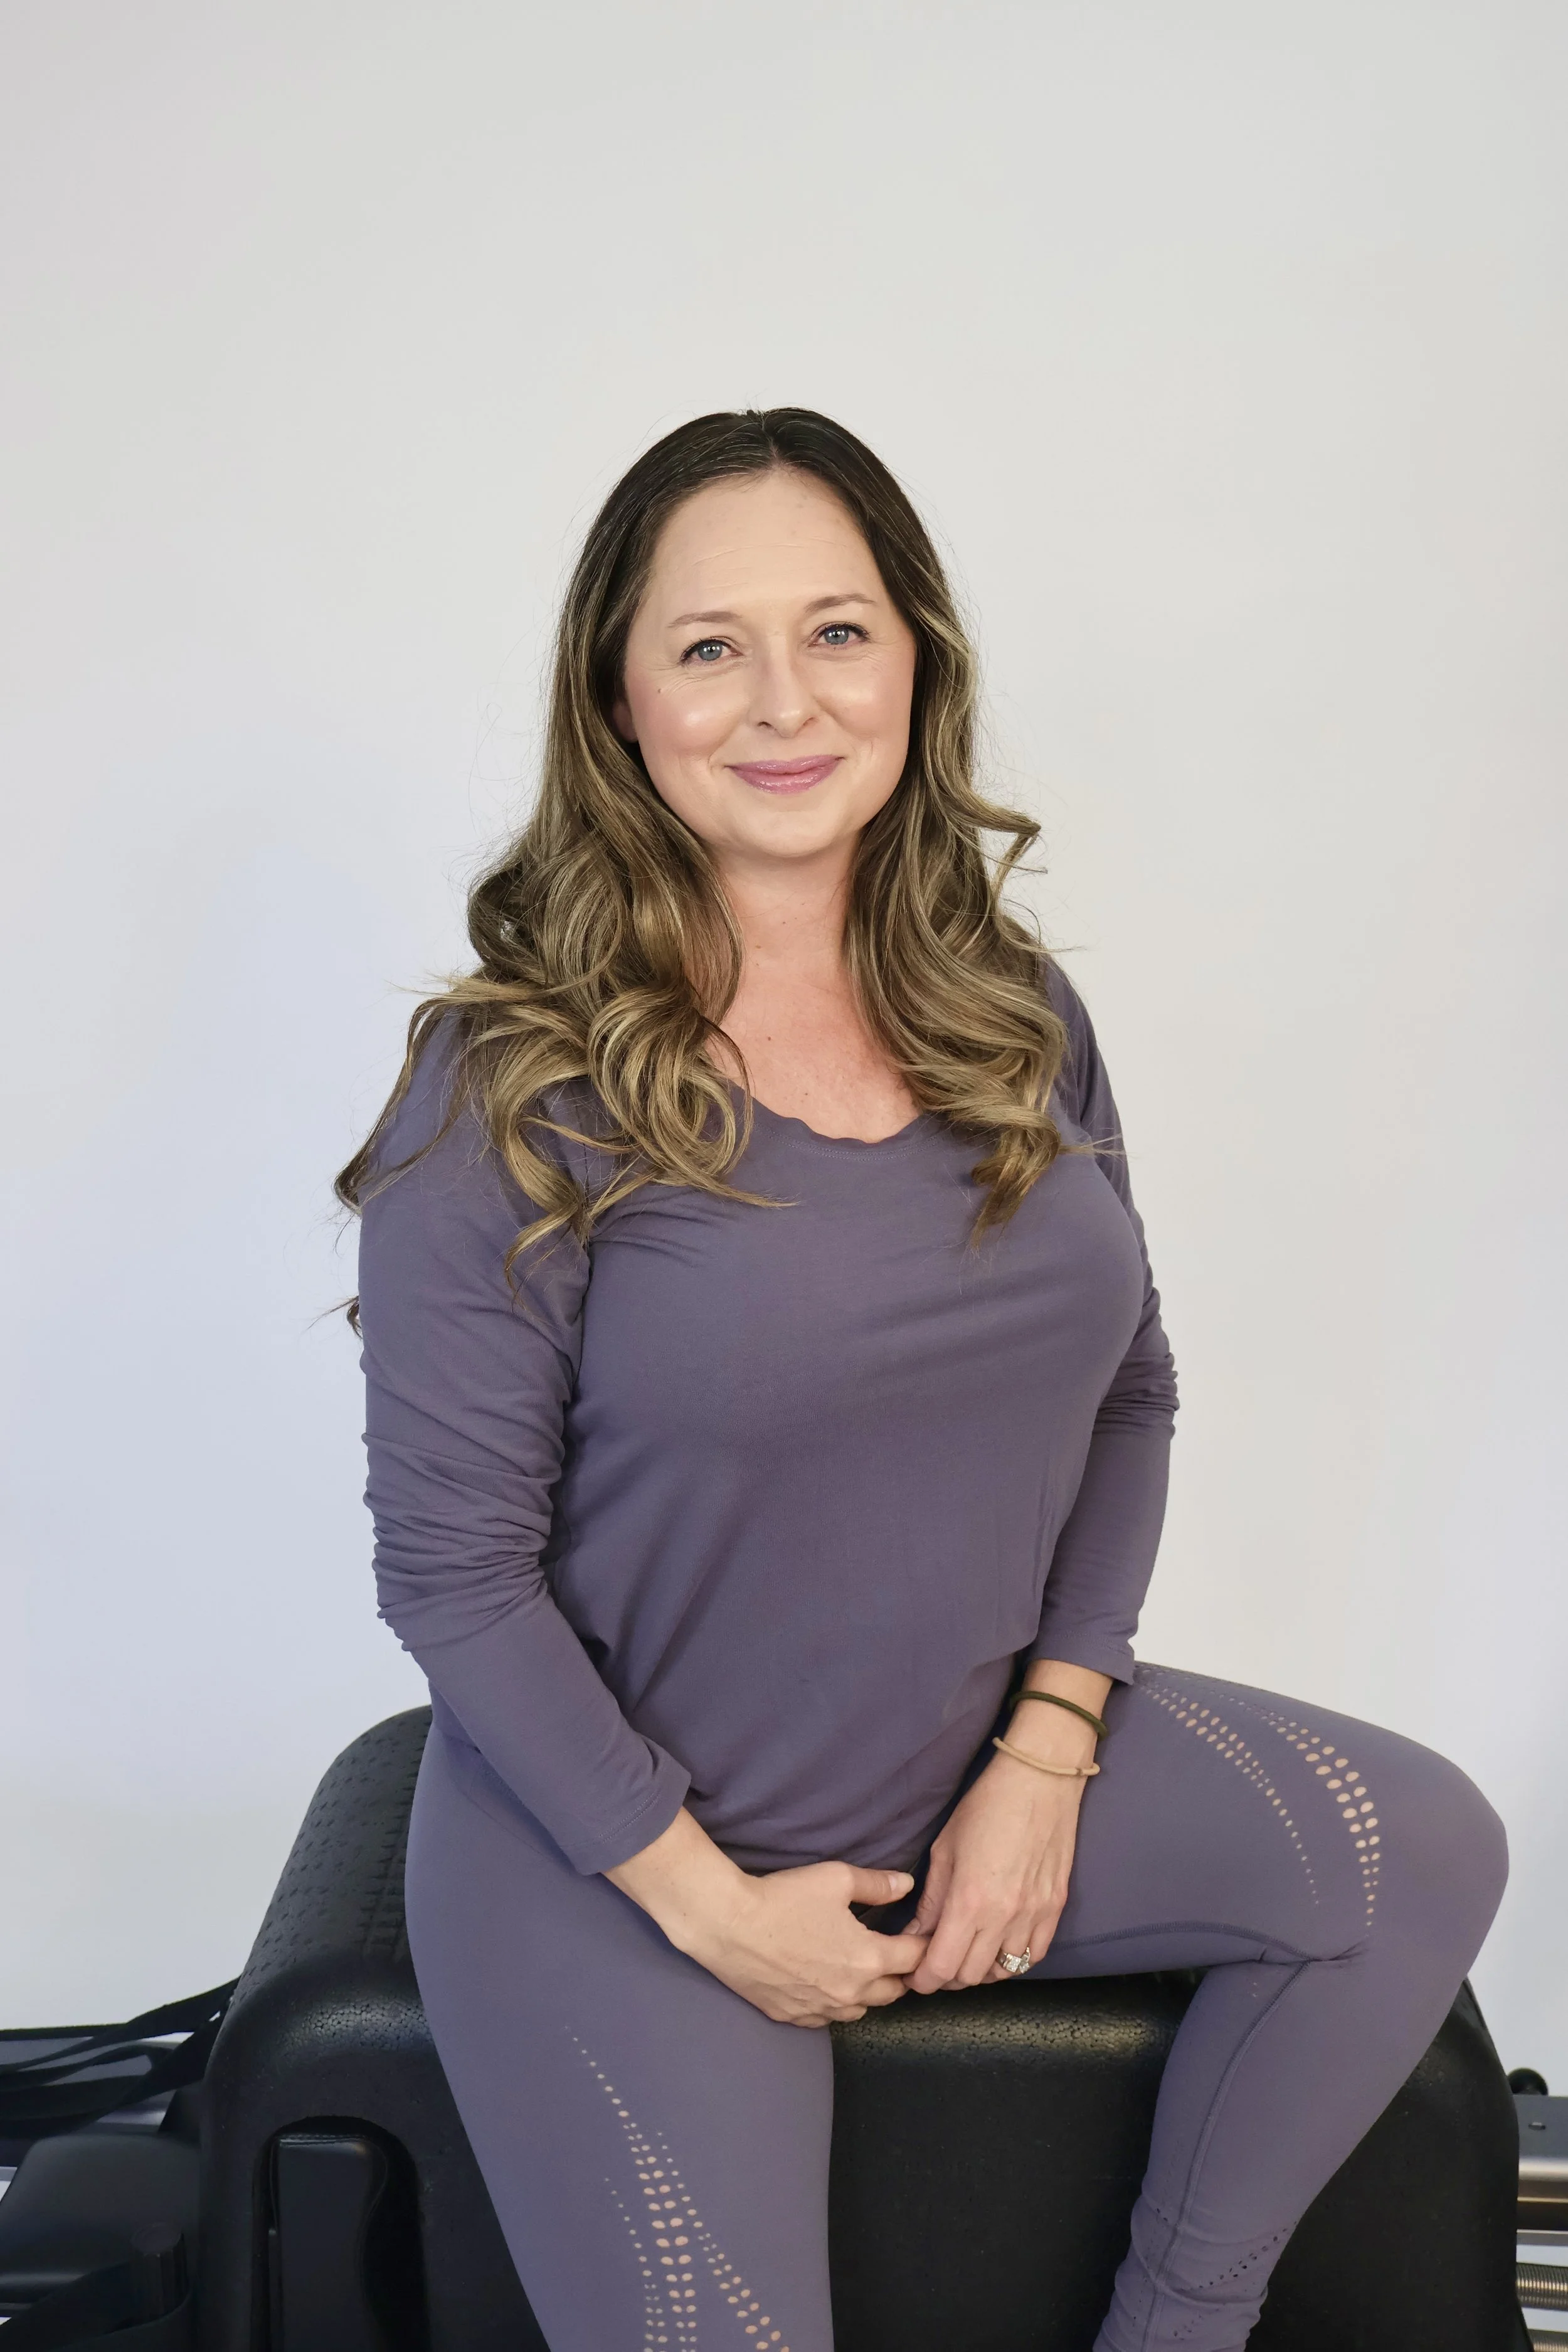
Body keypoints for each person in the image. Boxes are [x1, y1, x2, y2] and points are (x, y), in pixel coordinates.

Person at [338, 408, 1508, 2352]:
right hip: (625, 1861)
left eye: (839, 630)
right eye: (709, 644)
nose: (781, 699)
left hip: (966, 1769)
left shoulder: (1008, 1004)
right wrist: (724, 1919)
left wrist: (1046, 1754)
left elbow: (1128, 1387)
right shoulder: (505, 1081)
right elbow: (454, 1579)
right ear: (619, 700)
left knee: (1417, 1851)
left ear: (916, 662)